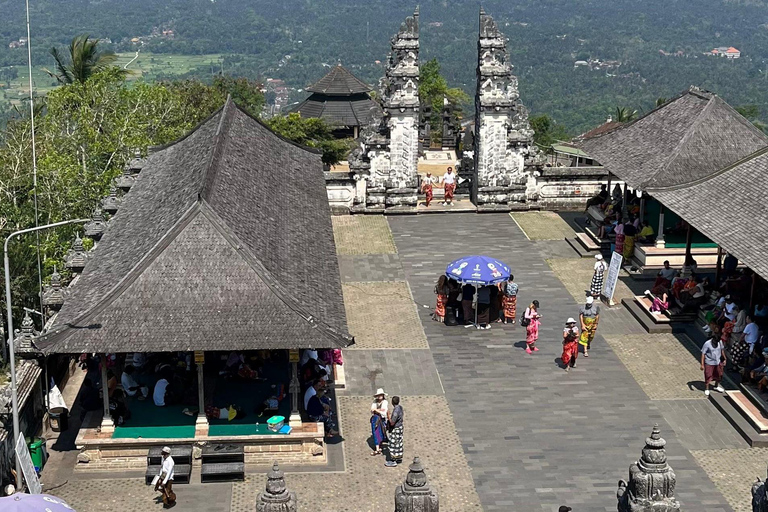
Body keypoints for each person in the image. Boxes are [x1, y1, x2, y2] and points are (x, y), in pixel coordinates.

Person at [384, 396, 404, 467]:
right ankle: (398, 457)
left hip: (396, 429)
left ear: (392, 402)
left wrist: (388, 416)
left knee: (394, 444)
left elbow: (392, 422)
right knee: (398, 443)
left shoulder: (396, 411)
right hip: (400, 427)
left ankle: (393, 460)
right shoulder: (400, 407)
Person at [370, 388, 388, 456]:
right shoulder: (375, 401)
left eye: (381, 395)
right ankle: (377, 448)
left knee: (381, 432)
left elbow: (384, 412)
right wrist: (378, 410)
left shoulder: (385, 402)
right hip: (375, 419)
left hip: (382, 420)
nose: (380, 396)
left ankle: (380, 445)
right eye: (379, 395)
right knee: (375, 433)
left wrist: (377, 410)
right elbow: (372, 410)